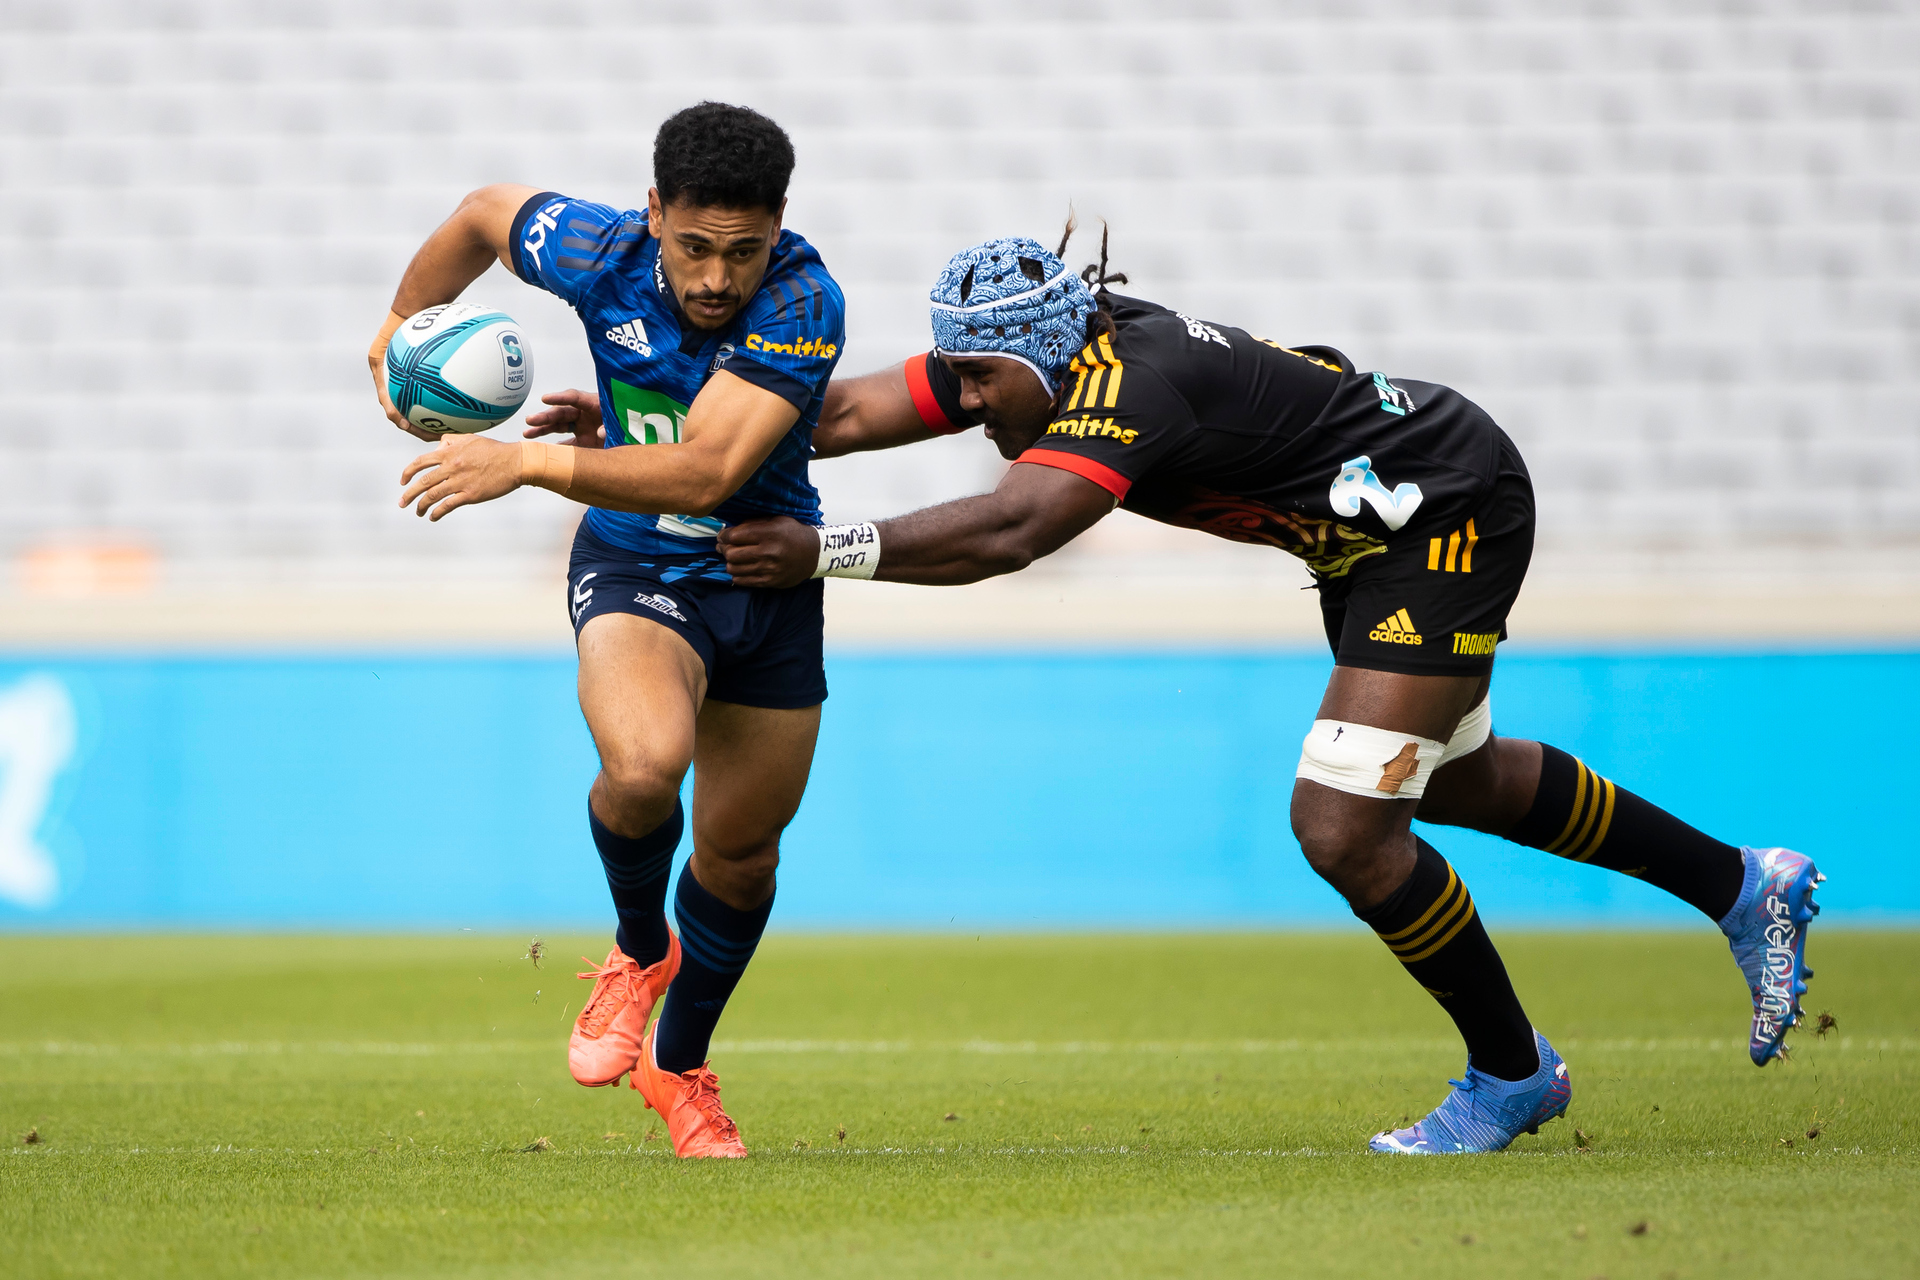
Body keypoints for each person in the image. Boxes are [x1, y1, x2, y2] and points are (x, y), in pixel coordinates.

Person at [712, 224, 1823, 1156]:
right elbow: (845, 414)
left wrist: (823, 546)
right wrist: (660, 430)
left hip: (1445, 511)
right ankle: (1739, 882)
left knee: (1342, 822)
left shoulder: (1132, 385)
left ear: (1045, 357)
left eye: (976, 382)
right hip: (1369, 536)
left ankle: (1512, 1071)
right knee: (1461, 779)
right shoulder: (1047, 357)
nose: (960, 400)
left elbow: (1016, 527)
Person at [367, 102, 848, 1158]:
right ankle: (639, 951)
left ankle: (678, 1066)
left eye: (743, 251)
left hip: (763, 574)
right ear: (653, 213)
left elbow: (713, 467)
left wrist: (530, 462)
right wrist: (399, 330)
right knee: (642, 766)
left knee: (742, 852)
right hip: (639, 559)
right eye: (693, 246)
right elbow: (484, 214)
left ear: (779, 230)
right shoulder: (597, 249)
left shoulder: (806, 299)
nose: (717, 277)